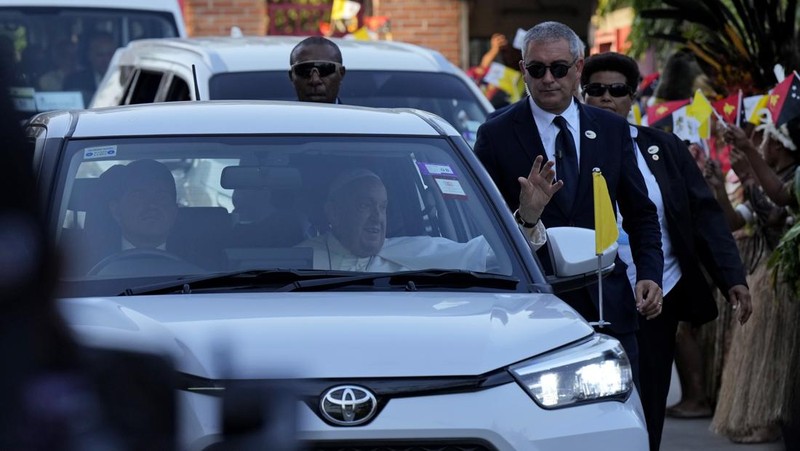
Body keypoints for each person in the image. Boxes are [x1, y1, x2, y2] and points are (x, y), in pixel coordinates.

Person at [473, 21, 665, 387]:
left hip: (608, 304)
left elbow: (641, 213)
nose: (548, 78)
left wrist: (649, 275)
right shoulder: (497, 134)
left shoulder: (610, 129)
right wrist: (526, 217)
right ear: (523, 72)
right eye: (537, 69)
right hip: (534, 307)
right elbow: (480, 228)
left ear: (578, 68)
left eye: (559, 68)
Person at [580, 51, 751, 451]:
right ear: (582, 95)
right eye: (596, 90)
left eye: (617, 90)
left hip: (658, 295)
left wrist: (733, 279)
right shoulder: (571, 149)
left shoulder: (664, 148)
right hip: (592, 295)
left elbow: (704, 217)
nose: (607, 98)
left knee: (649, 398)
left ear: (633, 97)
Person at [708, 113, 800, 444]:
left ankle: (772, 420)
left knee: (776, 356)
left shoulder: (789, 179)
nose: (762, 145)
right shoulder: (773, 176)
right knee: (762, 353)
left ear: (778, 144)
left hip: (785, 285)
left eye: (765, 140)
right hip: (767, 276)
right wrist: (720, 189)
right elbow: (736, 220)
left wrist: (748, 174)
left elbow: (776, 214)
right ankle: (761, 416)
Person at [298, 157, 561, 271]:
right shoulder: (296, 259)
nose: (377, 218)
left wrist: (527, 216)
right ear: (334, 212)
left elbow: (495, 257)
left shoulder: (417, 254)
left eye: (383, 207)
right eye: (364, 206)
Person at [63, 31, 117, 106]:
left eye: (110, 54)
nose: (106, 60)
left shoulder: (128, 79)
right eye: (100, 55)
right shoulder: (74, 81)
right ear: (89, 56)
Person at [288, 36, 346, 104]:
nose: (315, 80)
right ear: (291, 76)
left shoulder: (358, 114)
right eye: (304, 70)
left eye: (325, 69)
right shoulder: (276, 114)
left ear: (341, 73)